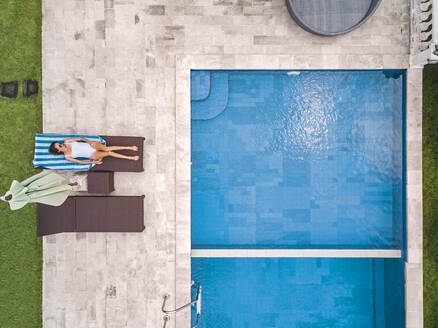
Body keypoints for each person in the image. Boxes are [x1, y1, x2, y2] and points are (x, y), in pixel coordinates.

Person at [48, 137, 139, 165]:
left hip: (92, 145)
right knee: (109, 153)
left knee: (108, 148)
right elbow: (80, 161)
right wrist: (93, 162)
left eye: (60, 143)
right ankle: (130, 157)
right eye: (60, 145)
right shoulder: (67, 157)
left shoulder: (67, 142)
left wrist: (90, 142)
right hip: (92, 155)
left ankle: (129, 147)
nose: (62, 144)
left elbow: (80, 138)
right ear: (59, 150)